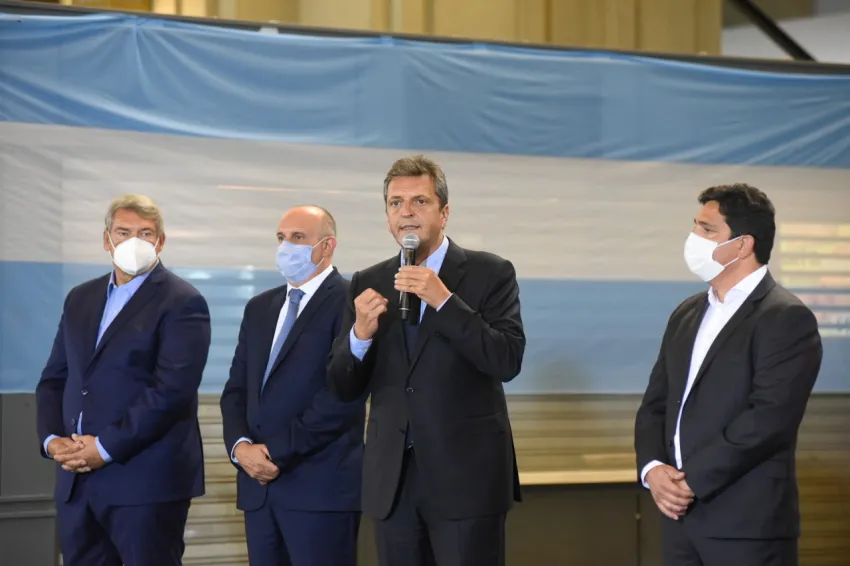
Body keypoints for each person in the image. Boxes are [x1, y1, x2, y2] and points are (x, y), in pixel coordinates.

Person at [326, 154, 526, 566]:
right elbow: (342, 387)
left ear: (444, 212)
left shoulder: (491, 272)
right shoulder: (368, 281)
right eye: (396, 203)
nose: (407, 213)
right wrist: (359, 336)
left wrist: (445, 302)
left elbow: (506, 360)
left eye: (420, 201)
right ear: (387, 217)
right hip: (393, 482)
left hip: (466, 481)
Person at [634, 183, 823, 566]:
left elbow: (769, 418)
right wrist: (653, 469)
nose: (693, 238)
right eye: (695, 227)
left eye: (707, 230)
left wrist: (689, 481)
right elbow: (656, 403)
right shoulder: (686, 313)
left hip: (747, 525)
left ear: (743, 245)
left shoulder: (785, 317)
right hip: (679, 521)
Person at [35, 194, 211, 566]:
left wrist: (103, 448)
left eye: (146, 233)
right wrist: (52, 441)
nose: (135, 241)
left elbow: (171, 391)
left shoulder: (183, 301)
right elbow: (55, 378)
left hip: (144, 483)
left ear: (160, 242)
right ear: (107, 239)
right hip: (77, 481)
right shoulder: (80, 298)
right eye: (124, 231)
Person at [220, 205, 365, 566]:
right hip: (259, 490)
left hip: (320, 491)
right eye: (281, 238)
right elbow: (236, 389)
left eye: (298, 238)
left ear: (327, 245)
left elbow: (342, 397)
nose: (286, 247)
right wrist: (240, 448)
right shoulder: (259, 308)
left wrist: (275, 453)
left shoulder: (351, 303)